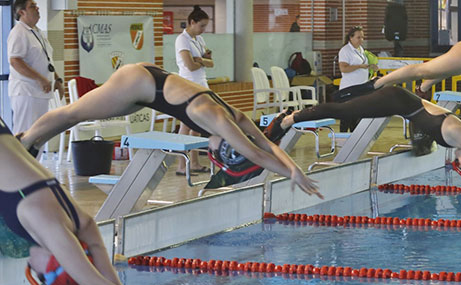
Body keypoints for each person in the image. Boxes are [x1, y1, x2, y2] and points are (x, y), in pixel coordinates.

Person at [0, 117, 176, 285]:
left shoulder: (79, 221)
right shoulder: (48, 226)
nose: (30, 265)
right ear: (53, 264)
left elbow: (108, 280)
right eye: (39, 276)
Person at [17, 63, 322, 198]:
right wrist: (290, 173)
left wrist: (294, 171)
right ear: (224, 146)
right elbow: (255, 153)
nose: (209, 150)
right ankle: (26, 140)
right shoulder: (215, 119)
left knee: (76, 116)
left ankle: (34, 143)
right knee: (73, 113)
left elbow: (266, 145)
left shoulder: (235, 117)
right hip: (136, 84)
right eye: (215, 154)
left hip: (149, 88)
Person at [264, 86, 461, 212]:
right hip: (396, 99)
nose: (459, 162)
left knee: (346, 107)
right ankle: (288, 119)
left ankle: (295, 116)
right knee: (343, 111)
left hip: (399, 103)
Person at [7, 0, 63, 135]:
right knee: (26, 134)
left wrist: (57, 79)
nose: (37, 8)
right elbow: (15, 61)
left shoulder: (37, 32)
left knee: (39, 135)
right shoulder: (18, 32)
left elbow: (46, 60)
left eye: (36, 5)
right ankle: (20, 152)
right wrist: (40, 79)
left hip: (40, 92)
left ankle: (34, 153)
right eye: (32, 6)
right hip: (27, 92)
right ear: (21, 12)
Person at [174, 6, 214, 176]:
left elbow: (211, 63)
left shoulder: (199, 39)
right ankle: (181, 165)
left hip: (201, 84)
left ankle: (195, 163)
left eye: (205, 26)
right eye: (201, 25)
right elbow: (189, 66)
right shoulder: (182, 40)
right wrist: (202, 61)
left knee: (197, 125)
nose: (203, 29)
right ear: (192, 22)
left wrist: (202, 61)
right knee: (186, 125)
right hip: (188, 86)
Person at [335, 26, 378, 132]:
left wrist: (370, 66)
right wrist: (359, 66)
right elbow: (343, 68)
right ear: (351, 37)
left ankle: (354, 138)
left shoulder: (361, 49)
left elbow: (362, 65)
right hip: (349, 88)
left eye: (362, 37)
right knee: (346, 117)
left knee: (357, 117)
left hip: (360, 88)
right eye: (358, 37)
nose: (361, 40)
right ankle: (342, 138)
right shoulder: (345, 50)